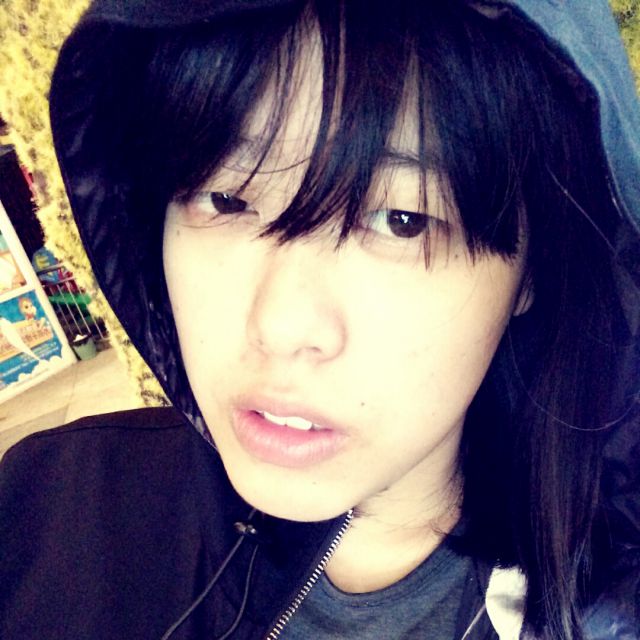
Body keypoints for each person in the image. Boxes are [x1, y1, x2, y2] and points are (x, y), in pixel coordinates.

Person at [1, 0, 639, 638]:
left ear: (533, 270)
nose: (280, 326)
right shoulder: (45, 515)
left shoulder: (610, 602)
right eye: (226, 198)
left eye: (403, 221)